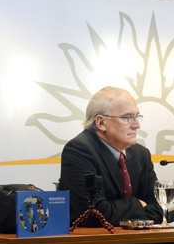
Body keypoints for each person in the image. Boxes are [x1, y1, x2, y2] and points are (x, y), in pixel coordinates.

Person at [59, 86, 163, 225]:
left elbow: (158, 211)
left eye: (137, 116)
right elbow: (94, 214)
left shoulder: (141, 154)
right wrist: (138, 204)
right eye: (127, 117)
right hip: (92, 243)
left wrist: (116, 208)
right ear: (101, 123)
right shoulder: (79, 150)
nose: (137, 125)